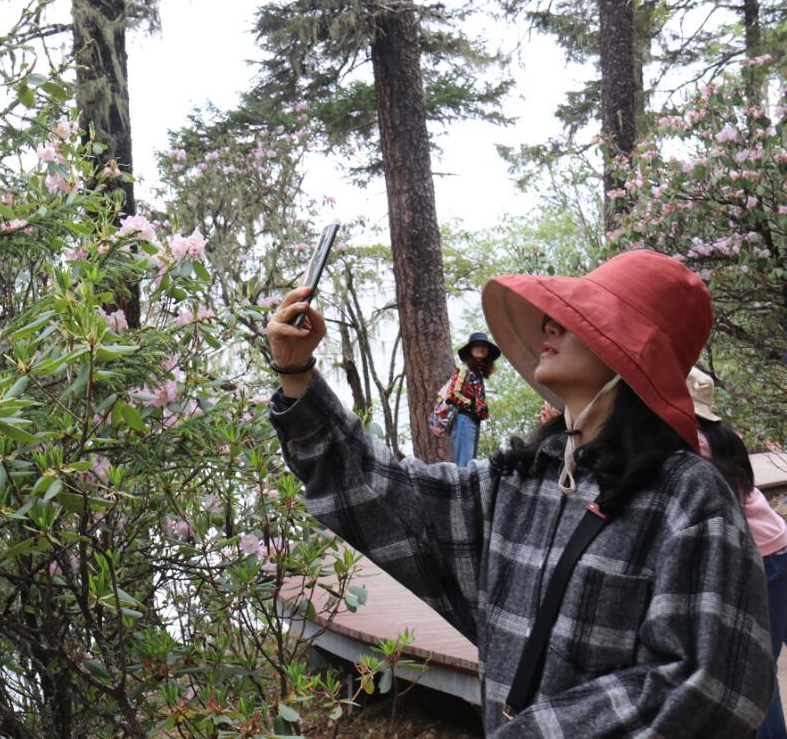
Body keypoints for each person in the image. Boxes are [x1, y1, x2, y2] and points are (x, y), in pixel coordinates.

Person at [264, 249, 773, 736]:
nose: (549, 324)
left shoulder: (689, 498)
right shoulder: (520, 485)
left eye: (580, 317)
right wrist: (296, 374)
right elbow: (387, 494)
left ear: (631, 351)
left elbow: (713, 683)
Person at [688, 368, 787, 739]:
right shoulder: (723, 435)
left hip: (759, 558)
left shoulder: (694, 442)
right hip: (775, 545)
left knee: (755, 668)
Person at [443, 332, 500, 467]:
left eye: (484, 346)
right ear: (470, 350)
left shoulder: (477, 373)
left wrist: (482, 409)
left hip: (473, 420)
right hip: (463, 419)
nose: (481, 348)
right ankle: (460, 488)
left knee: (469, 463)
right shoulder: (464, 369)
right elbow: (453, 393)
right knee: (464, 464)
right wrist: (473, 404)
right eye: (477, 345)